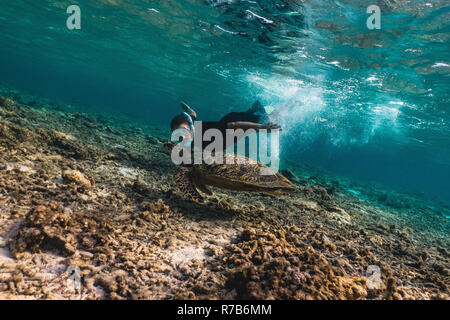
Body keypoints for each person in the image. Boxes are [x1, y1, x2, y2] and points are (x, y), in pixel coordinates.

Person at [169, 101, 281, 152]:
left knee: (270, 118)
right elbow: (193, 114)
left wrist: (263, 127)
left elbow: (234, 125)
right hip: (228, 123)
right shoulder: (191, 128)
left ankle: (291, 104)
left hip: (235, 124)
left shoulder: (203, 134)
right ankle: (252, 109)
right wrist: (187, 109)